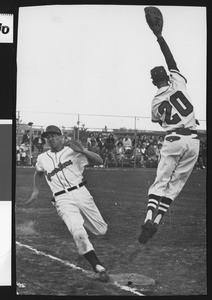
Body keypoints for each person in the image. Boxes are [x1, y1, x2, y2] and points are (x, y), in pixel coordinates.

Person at [138, 20, 200, 244]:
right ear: (167, 75)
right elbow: (171, 59)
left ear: (154, 82)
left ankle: (148, 217)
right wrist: (160, 37)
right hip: (193, 140)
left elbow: (158, 120)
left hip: (173, 139)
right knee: (176, 184)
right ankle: (158, 220)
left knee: (160, 181)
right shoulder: (179, 82)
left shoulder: (155, 100)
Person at [26, 125, 109, 282]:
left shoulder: (73, 151)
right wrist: (36, 190)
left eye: (54, 135)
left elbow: (99, 161)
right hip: (61, 199)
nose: (50, 139)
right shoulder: (43, 158)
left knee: (101, 230)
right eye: (48, 136)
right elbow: (38, 173)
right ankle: (97, 265)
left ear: (61, 137)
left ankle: (78, 223)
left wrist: (83, 150)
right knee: (77, 231)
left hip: (81, 193)